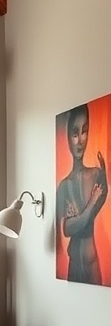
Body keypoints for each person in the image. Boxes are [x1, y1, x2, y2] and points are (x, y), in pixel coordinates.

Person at [56, 103, 108, 284]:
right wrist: (92, 201)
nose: (80, 140)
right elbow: (67, 229)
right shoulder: (64, 186)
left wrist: (105, 177)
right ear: (68, 138)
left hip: (91, 263)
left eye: (84, 131)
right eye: (75, 133)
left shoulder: (95, 174)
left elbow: (82, 221)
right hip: (74, 266)